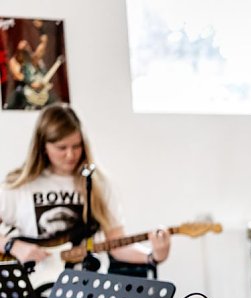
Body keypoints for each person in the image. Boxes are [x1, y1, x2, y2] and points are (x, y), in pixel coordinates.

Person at [0, 103, 170, 287]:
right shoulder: (20, 185)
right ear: (43, 146)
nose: (70, 155)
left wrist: (154, 255)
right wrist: (12, 246)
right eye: (61, 147)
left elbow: (116, 244)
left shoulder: (98, 183)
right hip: (37, 292)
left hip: (90, 292)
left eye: (77, 146)